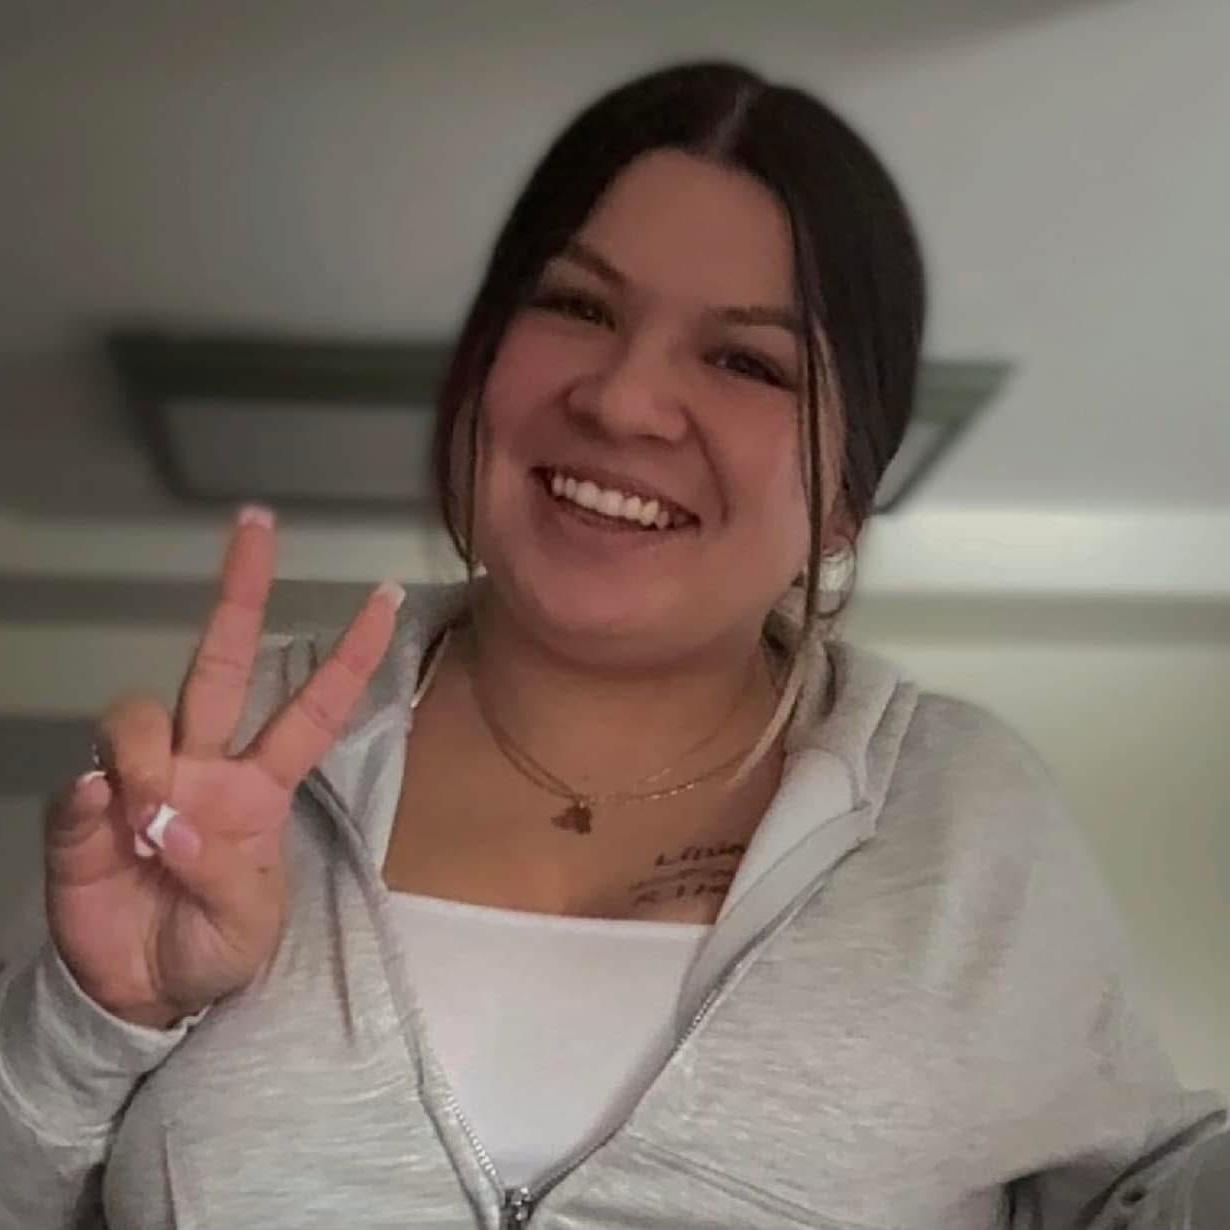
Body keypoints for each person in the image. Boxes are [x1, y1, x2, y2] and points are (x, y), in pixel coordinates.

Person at [0, 60, 1225, 1230]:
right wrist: (92, 1019)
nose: (623, 399)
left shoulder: (963, 819)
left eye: (747, 361)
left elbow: (1130, 1199)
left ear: (846, 502)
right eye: (577, 306)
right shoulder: (235, 759)